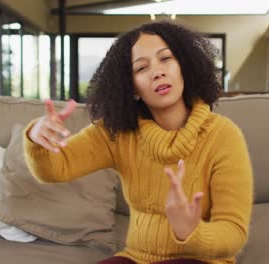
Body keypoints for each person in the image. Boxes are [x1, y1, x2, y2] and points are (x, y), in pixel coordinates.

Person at [24, 21, 253, 264]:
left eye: (166, 58)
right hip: (137, 259)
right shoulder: (119, 133)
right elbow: (54, 169)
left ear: (184, 66)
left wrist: (191, 230)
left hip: (201, 260)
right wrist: (38, 137)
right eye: (142, 68)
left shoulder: (224, 136)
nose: (158, 71)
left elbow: (234, 232)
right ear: (131, 87)